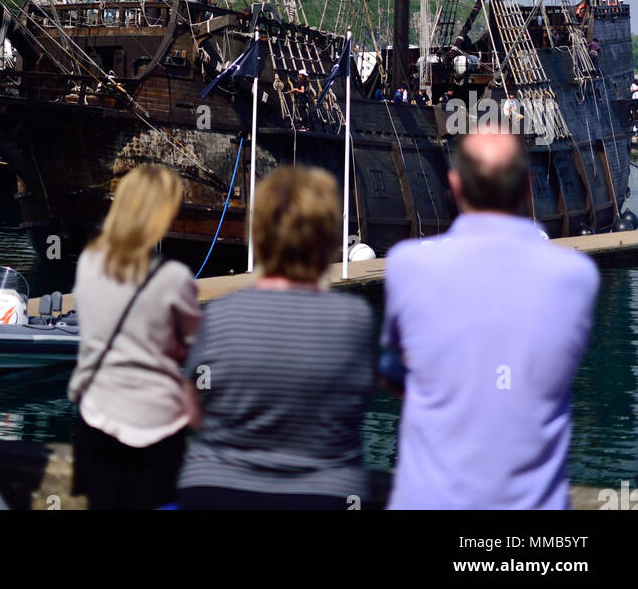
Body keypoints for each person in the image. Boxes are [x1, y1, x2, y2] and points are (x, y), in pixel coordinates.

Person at [381, 127, 599, 510]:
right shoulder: (576, 276)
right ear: (528, 186)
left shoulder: (408, 264)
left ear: (454, 184)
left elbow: (392, 369)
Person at [178, 166, 375, 510]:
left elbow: (191, 411)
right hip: (321, 495)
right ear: (329, 238)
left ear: (260, 235)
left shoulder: (220, 316)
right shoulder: (353, 320)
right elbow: (354, 407)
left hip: (217, 491)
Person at [68, 164, 200, 511]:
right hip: (155, 425)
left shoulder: (89, 263)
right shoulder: (173, 278)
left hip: (97, 417)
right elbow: (194, 349)